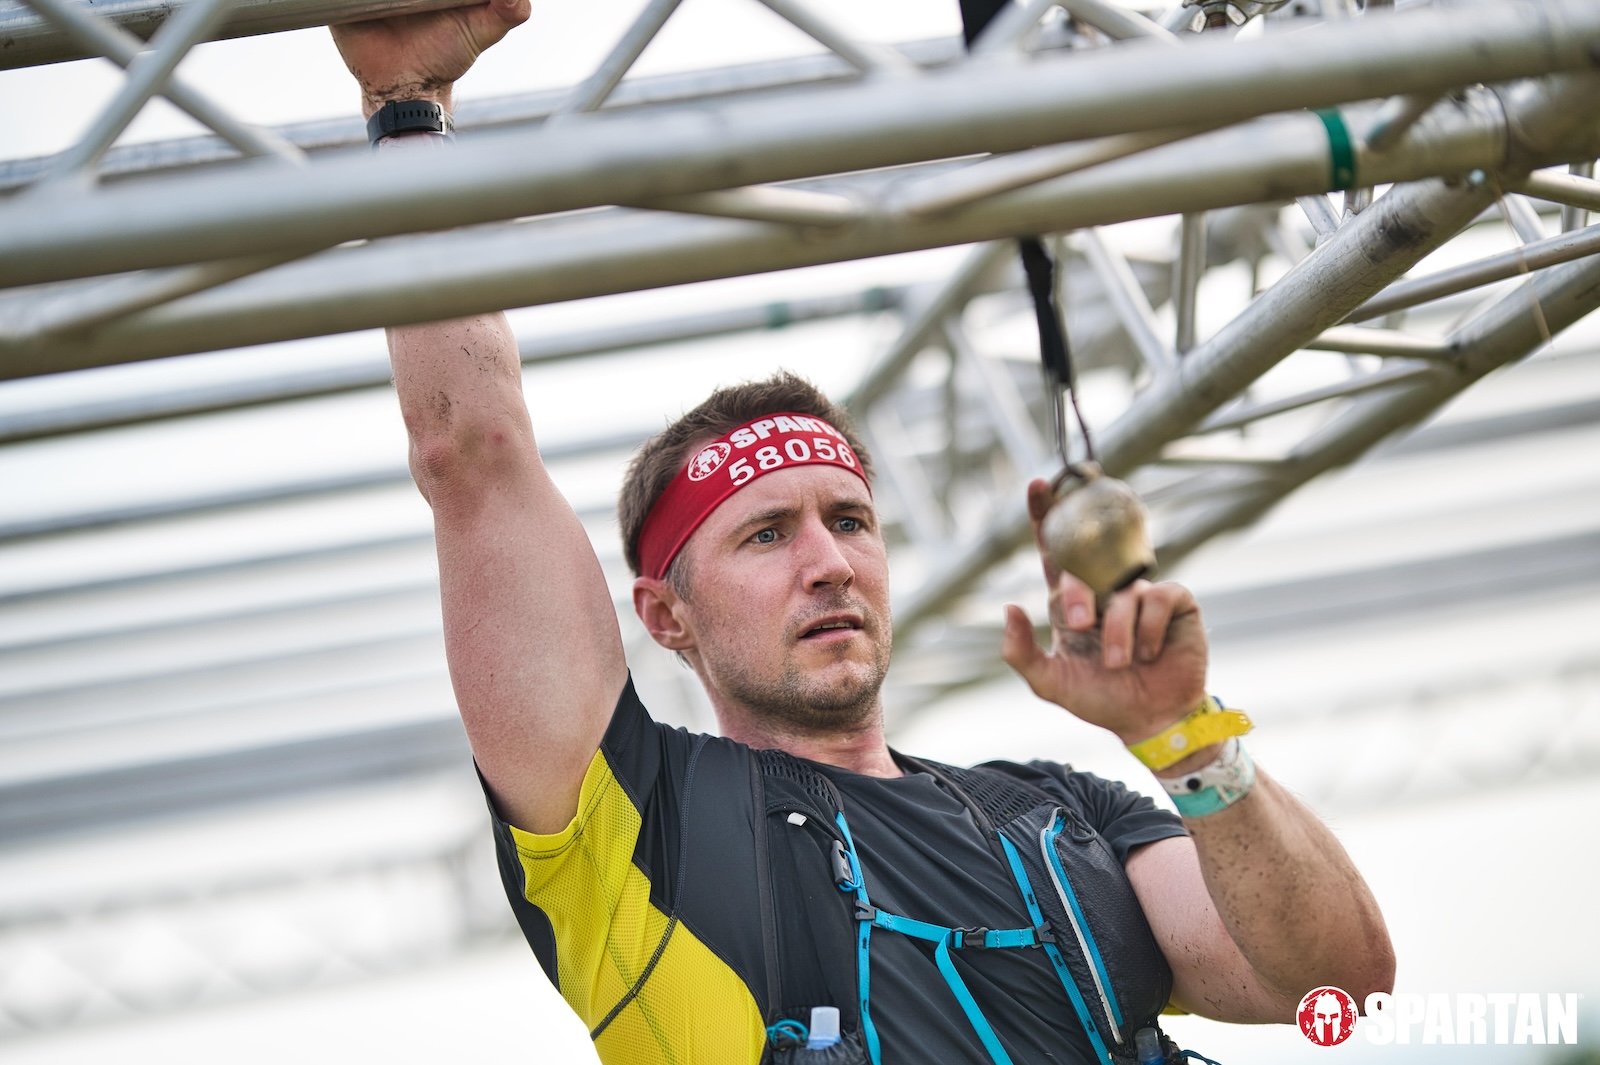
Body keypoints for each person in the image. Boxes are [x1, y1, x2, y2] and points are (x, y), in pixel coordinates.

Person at [330, 5, 1395, 1063]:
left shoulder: (1063, 814)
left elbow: (1339, 991)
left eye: (849, 520)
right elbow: (472, 454)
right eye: (765, 536)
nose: (830, 562)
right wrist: (406, 107)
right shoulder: (637, 828)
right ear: (665, 614)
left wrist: (1186, 738)